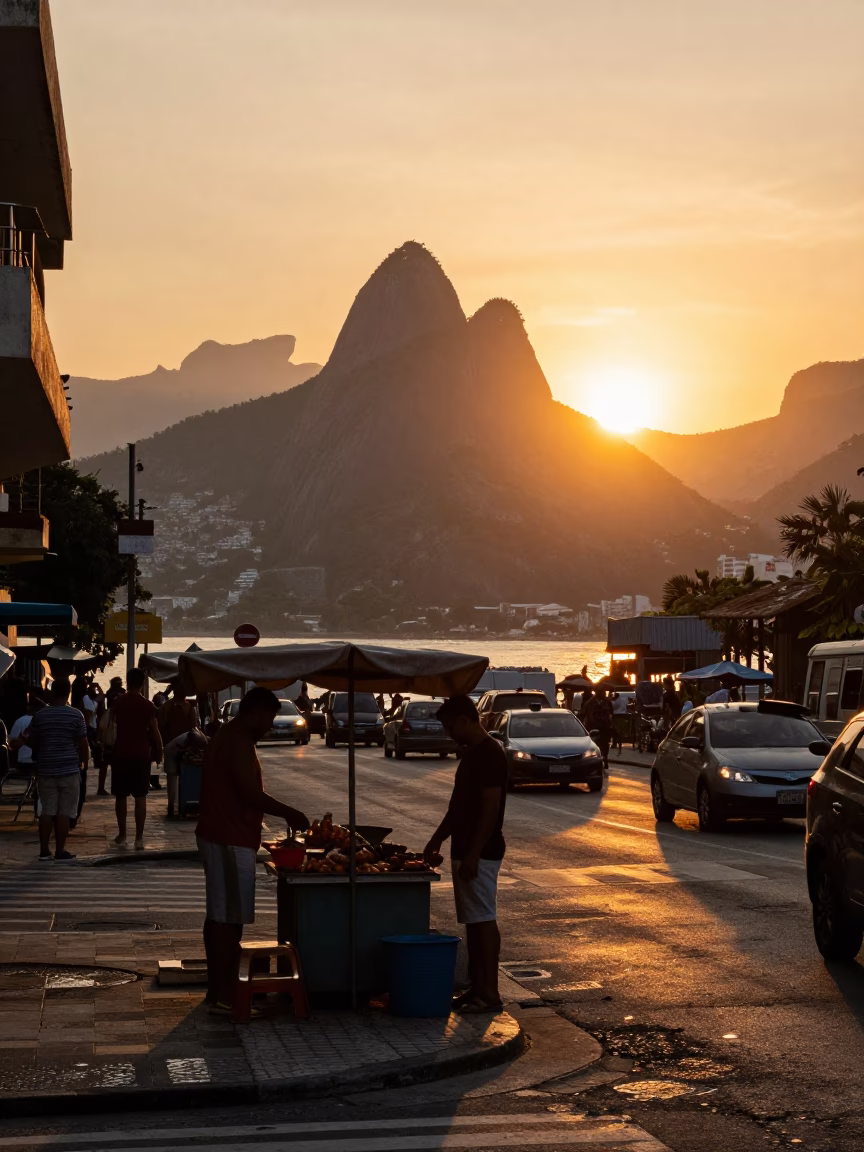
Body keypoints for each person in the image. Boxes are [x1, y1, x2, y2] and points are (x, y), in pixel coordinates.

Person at [195, 687, 308, 1014]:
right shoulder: (237, 741)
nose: (271, 725)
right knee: (226, 920)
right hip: (228, 836)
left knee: (222, 917)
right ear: (256, 713)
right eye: (270, 718)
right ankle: (222, 995)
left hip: (226, 835)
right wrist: (289, 812)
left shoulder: (230, 737)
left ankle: (220, 989)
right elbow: (249, 793)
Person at [423, 694, 508, 1014]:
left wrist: (473, 854)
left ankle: (490, 992)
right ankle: (477, 987)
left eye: (449, 726)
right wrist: (437, 840)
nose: (448, 733)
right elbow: (457, 807)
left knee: (483, 919)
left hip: (481, 851)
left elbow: (490, 808)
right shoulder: (473, 754)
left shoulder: (490, 754)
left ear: (464, 720)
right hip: (466, 847)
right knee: (473, 920)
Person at [25, 678, 89, 861]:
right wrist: (83, 764)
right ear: (68, 692)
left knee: (47, 810)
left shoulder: (40, 715)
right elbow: (83, 743)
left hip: (46, 769)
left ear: (52, 692)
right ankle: (60, 851)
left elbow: (31, 738)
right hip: (69, 769)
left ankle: (44, 850)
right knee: (64, 812)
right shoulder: (76, 715)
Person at [110, 668, 163, 850]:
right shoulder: (148, 706)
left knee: (121, 796)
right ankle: (139, 838)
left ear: (127, 680)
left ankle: (123, 834)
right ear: (142, 683)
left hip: (121, 754)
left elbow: (109, 725)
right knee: (141, 796)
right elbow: (155, 732)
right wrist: (159, 752)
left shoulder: (118, 702)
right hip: (142, 755)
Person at [163, 726, 209, 817]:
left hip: (173, 750)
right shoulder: (198, 739)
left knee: (173, 781)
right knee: (172, 780)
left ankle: (172, 807)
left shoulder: (199, 737)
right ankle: (171, 808)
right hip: (170, 752)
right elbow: (184, 749)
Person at [583, 687, 614, 769]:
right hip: (594, 726)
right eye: (601, 691)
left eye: (603, 691)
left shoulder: (607, 702)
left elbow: (611, 713)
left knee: (605, 744)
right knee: (595, 744)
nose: (602, 693)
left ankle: (605, 759)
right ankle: (595, 761)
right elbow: (587, 714)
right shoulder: (590, 702)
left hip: (605, 726)